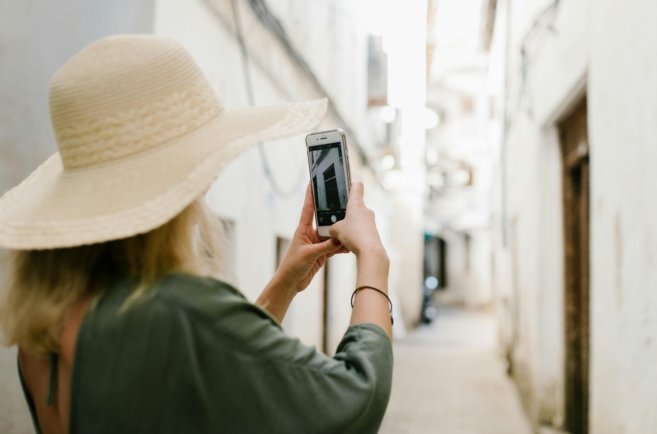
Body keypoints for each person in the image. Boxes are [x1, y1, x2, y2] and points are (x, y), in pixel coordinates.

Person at [0, 35, 393, 434]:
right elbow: (357, 398)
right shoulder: (177, 310)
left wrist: (285, 282)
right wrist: (373, 262)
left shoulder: (45, 323)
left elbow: (222, 362)